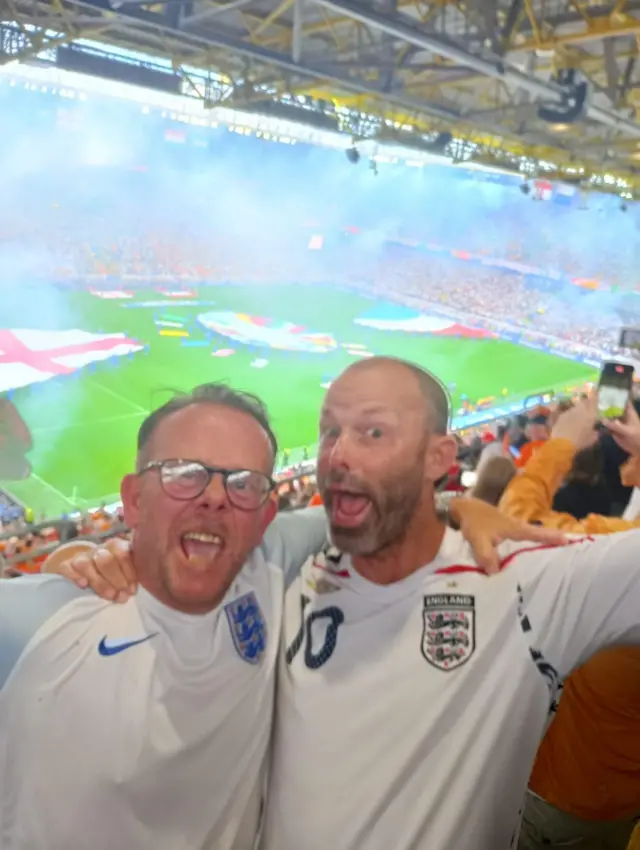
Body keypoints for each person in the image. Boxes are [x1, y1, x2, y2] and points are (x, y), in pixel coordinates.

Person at [63, 359, 640, 850]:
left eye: (373, 433)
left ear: (439, 456)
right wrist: (94, 557)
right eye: (328, 431)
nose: (336, 455)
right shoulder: (275, 574)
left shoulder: (526, 582)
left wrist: (538, 462)